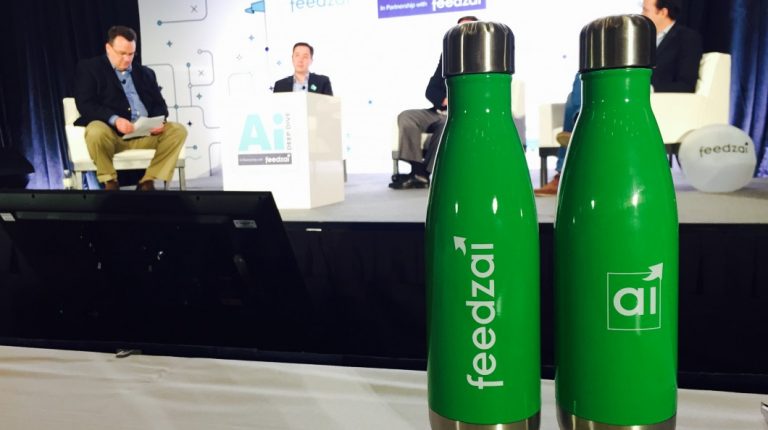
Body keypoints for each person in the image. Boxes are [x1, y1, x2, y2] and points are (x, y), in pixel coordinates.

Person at [534, 0, 703, 196]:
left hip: (651, 97)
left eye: (646, 9)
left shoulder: (686, 38)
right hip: (622, 90)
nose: (642, 13)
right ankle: (581, 123)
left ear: (663, 12)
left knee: (583, 92)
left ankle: (581, 128)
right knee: (581, 80)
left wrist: (647, 87)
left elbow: (685, 83)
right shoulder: (641, 37)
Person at [74, 25, 187, 191]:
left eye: (131, 54)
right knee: (95, 131)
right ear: (108, 48)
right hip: (111, 135)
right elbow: (86, 104)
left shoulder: (146, 73)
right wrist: (115, 120)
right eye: (122, 53)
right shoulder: (90, 68)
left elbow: (159, 105)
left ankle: (148, 181)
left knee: (178, 130)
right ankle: (110, 181)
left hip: (145, 134)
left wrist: (158, 121)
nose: (127, 59)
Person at [389, 16, 478, 190]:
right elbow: (431, 89)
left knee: (446, 125)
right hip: (438, 111)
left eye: (467, 29)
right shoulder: (448, 56)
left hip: (461, 113)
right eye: (459, 29)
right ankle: (417, 170)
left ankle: (424, 173)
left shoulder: (482, 57)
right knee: (406, 117)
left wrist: (456, 101)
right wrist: (444, 100)